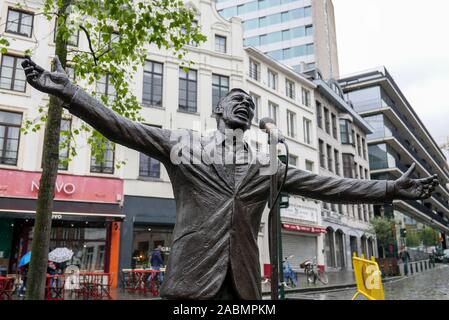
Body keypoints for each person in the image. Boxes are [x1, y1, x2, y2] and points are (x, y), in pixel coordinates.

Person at [22, 56, 440, 300]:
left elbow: (333, 186)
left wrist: (389, 188)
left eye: (250, 105)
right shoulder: (184, 145)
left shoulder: (266, 166)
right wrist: (69, 92)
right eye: (237, 100)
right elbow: (121, 127)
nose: (245, 105)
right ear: (219, 111)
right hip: (191, 280)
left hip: (243, 287)